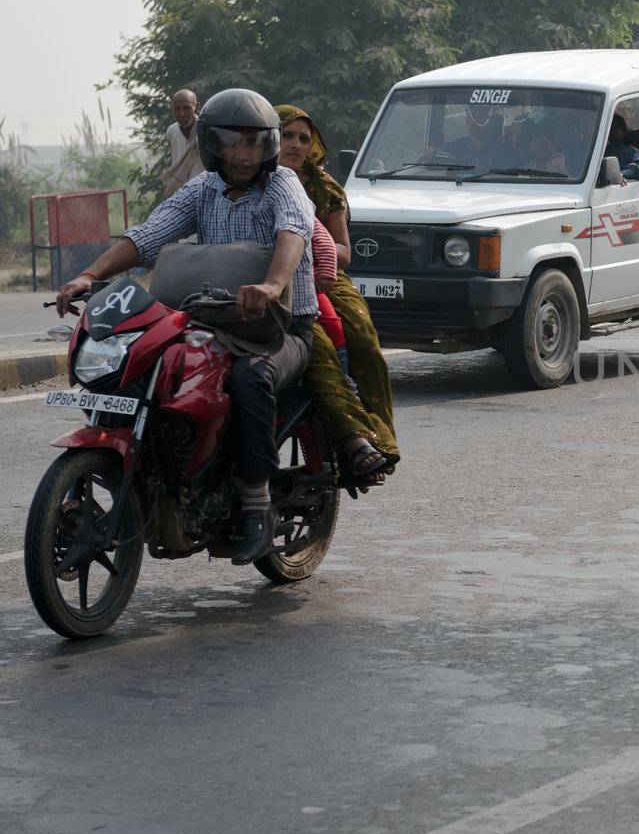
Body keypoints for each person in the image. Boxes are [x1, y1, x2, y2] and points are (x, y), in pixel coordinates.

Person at [56, 89, 317, 564]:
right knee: (145, 365)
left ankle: (255, 501)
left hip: (279, 329)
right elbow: (148, 236)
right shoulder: (202, 190)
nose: (242, 154)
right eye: (231, 142)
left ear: (269, 145)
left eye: (253, 143)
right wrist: (89, 276)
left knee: (248, 377)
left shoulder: (284, 186)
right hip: (209, 323)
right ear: (212, 144)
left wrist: (274, 284)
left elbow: (293, 233)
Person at [276, 105, 399, 472]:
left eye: (303, 138)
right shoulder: (252, 179)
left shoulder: (324, 187)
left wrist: (313, 252)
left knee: (359, 334)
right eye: (287, 135)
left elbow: (342, 250)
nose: (296, 145)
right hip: (262, 272)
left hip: (320, 273)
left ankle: (378, 436)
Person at [159, 89, 204, 195]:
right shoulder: (171, 131)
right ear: (172, 109)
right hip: (181, 193)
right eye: (177, 109)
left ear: (197, 107)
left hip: (204, 190)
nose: (182, 113)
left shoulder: (206, 130)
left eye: (187, 108)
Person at [604, 114, 639, 180]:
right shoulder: (595, 151)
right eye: (609, 127)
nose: (611, 130)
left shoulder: (628, 151)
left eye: (614, 127)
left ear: (623, 129)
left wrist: (621, 174)